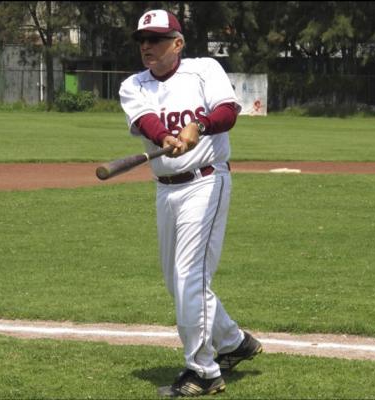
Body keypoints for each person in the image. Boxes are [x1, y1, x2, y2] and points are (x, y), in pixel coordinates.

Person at [118, 9, 263, 397]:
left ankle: (203, 371)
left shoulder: (204, 70)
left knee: (189, 278)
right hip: (165, 188)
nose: (146, 46)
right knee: (176, 281)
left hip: (205, 182)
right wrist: (166, 136)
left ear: (177, 43)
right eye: (142, 40)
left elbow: (228, 112)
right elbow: (146, 123)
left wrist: (199, 126)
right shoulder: (134, 84)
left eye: (156, 39)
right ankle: (233, 341)